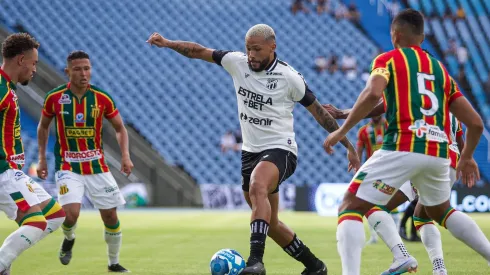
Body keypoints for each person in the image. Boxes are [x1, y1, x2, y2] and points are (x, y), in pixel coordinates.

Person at [147, 23, 361, 275]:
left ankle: (255, 263)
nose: (251, 55)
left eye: (257, 50)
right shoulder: (236, 62)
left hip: (282, 150)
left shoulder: (289, 77)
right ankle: (315, 267)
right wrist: (168, 42)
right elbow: (198, 51)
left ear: (273, 47)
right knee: (269, 223)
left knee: (258, 185)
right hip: (250, 153)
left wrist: (347, 144)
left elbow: (320, 113)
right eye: (248, 49)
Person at [323, 9, 490, 275]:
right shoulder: (440, 71)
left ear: (394, 35)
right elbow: (477, 124)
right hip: (441, 153)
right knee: (439, 211)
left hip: (404, 145)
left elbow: (372, 93)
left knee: (351, 205)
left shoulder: (388, 59)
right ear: (422, 37)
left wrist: (342, 130)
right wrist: (468, 156)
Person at [326, 101, 465, 274]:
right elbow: (460, 138)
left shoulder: (415, 89)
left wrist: (342, 114)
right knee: (422, 216)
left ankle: (401, 255)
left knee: (369, 204)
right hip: (445, 160)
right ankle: (439, 269)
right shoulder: (446, 103)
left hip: (416, 155)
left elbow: (383, 101)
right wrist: (466, 161)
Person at [37, 51, 133, 273]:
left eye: (87, 68)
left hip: (97, 166)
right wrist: (42, 159)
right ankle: (69, 238)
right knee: (70, 214)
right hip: (67, 166)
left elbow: (120, 128)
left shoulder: (102, 98)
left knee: (110, 216)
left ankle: (113, 263)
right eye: (78, 69)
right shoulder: (54, 97)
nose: (83, 73)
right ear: (67, 71)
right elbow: (43, 126)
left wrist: (125, 155)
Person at [0, 33, 65, 274]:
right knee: (36, 222)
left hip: (12, 172)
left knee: (55, 215)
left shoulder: (8, 87)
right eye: (34, 63)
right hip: (2, 171)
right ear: (21, 60)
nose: (35, 69)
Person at [355, 115, 399, 245]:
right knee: (369, 201)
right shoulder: (363, 131)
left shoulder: (390, 126)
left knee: (392, 200)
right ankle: (373, 237)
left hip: (391, 169)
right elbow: (359, 149)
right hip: (373, 171)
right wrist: (358, 167)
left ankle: (395, 234)